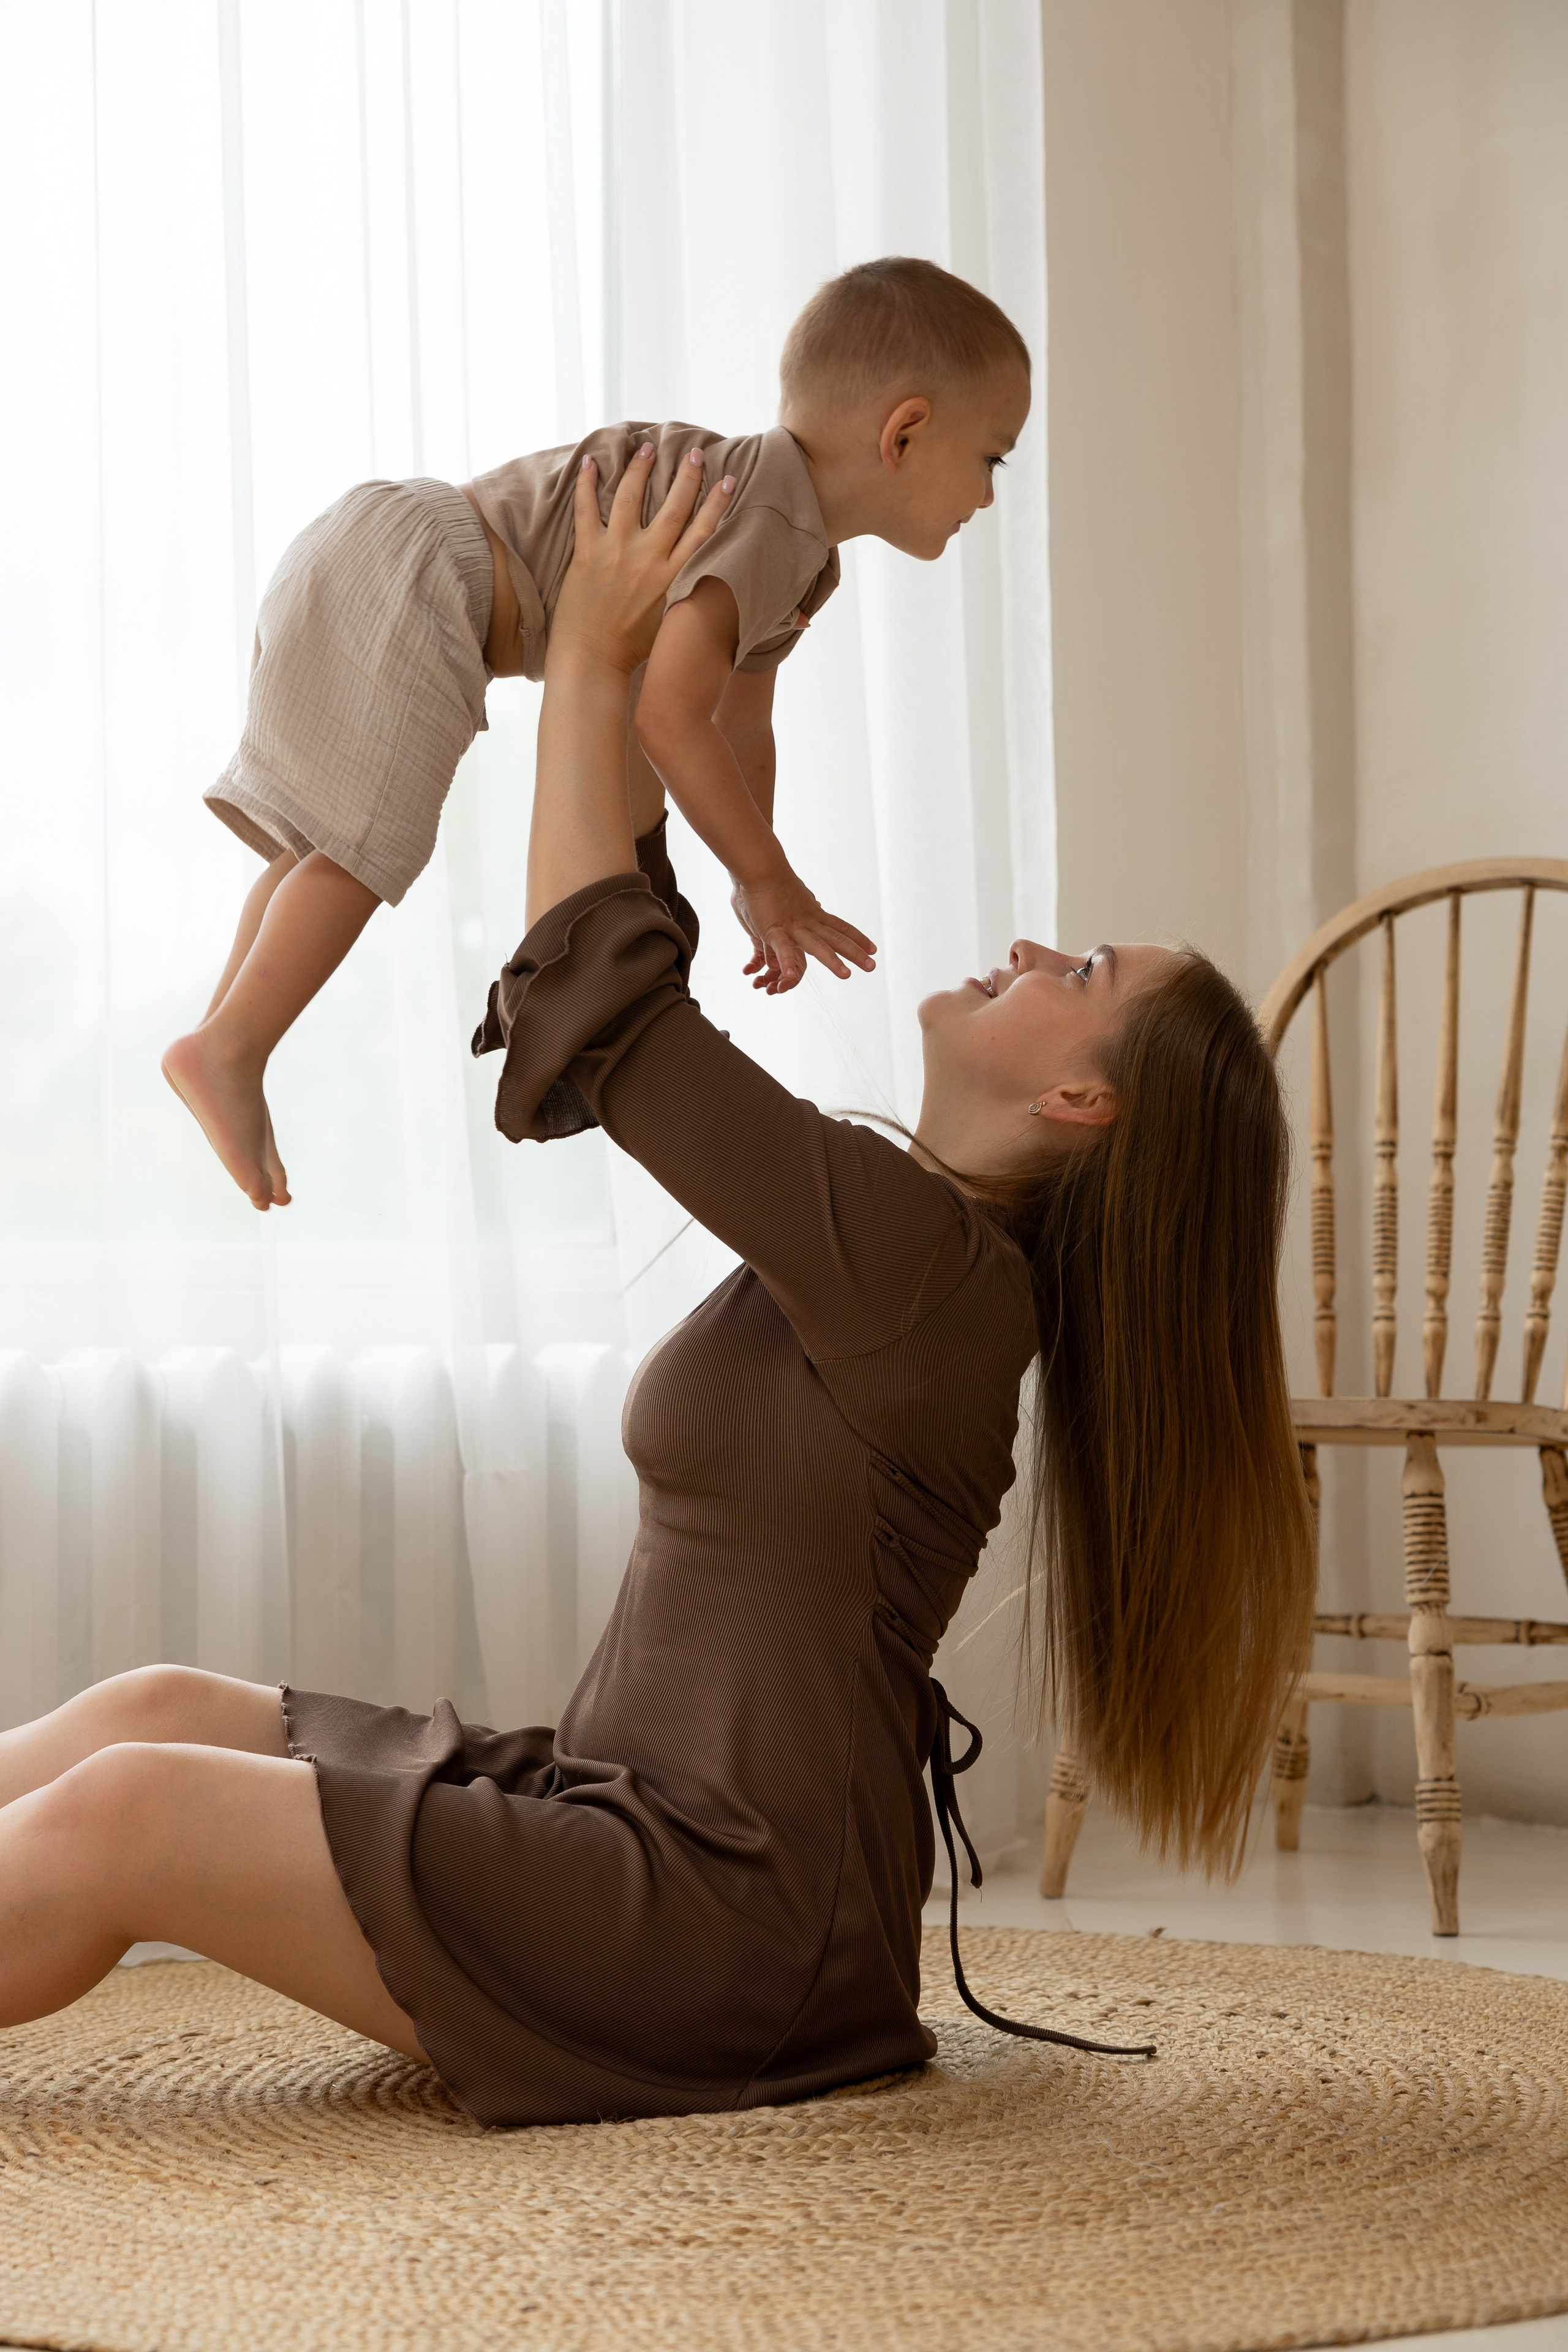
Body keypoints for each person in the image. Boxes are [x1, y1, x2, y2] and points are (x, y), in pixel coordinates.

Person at [0, 448, 1314, 2127]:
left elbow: (614, 1026)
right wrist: (602, 674)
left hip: (719, 1927)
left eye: (1082, 976)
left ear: (1084, 1102)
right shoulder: (898, 1233)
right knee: (157, 1712)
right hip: (628, 1826)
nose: (1037, 946)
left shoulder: (929, 1274)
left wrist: (602, 656)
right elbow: (627, 949)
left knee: (131, 1816)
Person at [162, 255, 1033, 1212]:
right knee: (368, 849)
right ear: (904, 432)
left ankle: (223, 1039)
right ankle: (233, 1044)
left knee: (323, 847)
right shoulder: (774, 520)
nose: (989, 496)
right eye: (992, 458)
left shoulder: (794, 547)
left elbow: (738, 731)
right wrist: (766, 879)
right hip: (428, 572)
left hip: (384, 545)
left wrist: (754, 879)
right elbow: (668, 718)